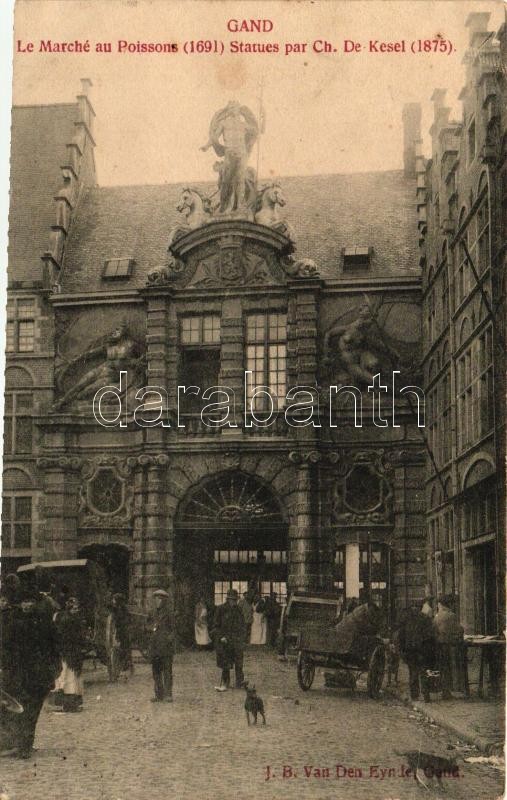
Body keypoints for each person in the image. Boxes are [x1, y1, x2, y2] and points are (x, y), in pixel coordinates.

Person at [6, 586, 61, 758]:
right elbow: (6, 648)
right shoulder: (12, 622)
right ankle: (22, 745)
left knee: (34, 709)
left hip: (39, 674)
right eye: (24, 601)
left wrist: (53, 668)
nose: (27, 605)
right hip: (19, 674)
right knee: (21, 709)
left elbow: (54, 648)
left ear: (36, 603)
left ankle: (26, 744)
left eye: (30, 601)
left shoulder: (44, 623)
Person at [397, 603, 437, 703]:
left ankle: (414, 695)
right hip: (422, 650)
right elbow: (431, 635)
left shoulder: (406, 620)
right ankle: (426, 695)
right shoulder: (426, 619)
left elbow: (400, 636)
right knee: (424, 672)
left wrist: (402, 650)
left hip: (410, 650)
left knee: (413, 672)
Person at [53, 596, 87, 712]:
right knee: (69, 677)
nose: (75, 611)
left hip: (72, 651)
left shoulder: (74, 619)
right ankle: (70, 704)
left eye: (77, 609)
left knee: (70, 676)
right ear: (69, 609)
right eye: (73, 609)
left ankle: (70, 703)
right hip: (69, 651)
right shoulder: (68, 620)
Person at [212, 588, 247, 691]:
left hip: (237, 640)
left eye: (235, 600)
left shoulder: (238, 610)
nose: (234, 602)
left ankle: (239, 682)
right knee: (226, 663)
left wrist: (242, 637)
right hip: (225, 640)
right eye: (232, 599)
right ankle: (225, 682)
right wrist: (221, 636)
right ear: (228, 599)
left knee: (239, 662)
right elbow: (216, 626)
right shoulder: (221, 609)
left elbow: (242, 624)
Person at [433, 595, 464, 700]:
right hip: (451, 646)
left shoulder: (437, 616)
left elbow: (433, 630)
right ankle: (454, 689)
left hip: (440, 646)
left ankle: (445, 691)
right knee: (451, 668)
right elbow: (460, 630)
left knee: (443, 668)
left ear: (441, 605)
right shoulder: (452, 616)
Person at [148, 589, 175, 703]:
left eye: (160, 599)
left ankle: (168, 694)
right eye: (156, 598)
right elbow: (147, 625)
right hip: (154, 646)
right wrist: (150, 628)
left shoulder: (169, 613)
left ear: (164, 600)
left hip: (166, 647)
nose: (158, 601)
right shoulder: (152, 613)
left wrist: (169, 638)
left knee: (167, 671)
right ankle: (158, 694)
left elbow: (174, 629)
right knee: (156, 671)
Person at [108, 593, 132, 677]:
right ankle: (118, 669)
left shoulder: (123, 610)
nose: (113, 601)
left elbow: (126, 620)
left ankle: (124, 667)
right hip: (118, 632)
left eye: (114, 599)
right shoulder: (115, 609)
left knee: (123, 650)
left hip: (122, 632)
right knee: (118, 651)